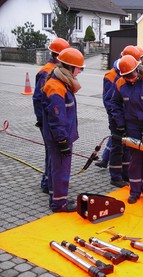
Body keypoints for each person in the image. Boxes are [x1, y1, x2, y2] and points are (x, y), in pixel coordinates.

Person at [110, 55, 143, 204]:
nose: (130, 79)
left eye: (132, 75)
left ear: (138, 69)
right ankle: (134, 191)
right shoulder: (120, 83)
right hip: (132, 125)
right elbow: (115, 104)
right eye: (126, 76)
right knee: (135, 159)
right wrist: (120, 125)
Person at [41, 48, 85, 212]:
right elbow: (57, 118)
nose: (80, 72)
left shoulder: (60, 83)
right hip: (60, 137)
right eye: (79, 68)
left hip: (59, 136)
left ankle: (55, 197)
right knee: (61, 170)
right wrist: (62, 140)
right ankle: (59, 204)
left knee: (55, 168)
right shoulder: (57, 87)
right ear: (70, 67)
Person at [96, 45, 142, 187]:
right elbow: (110, 102)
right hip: (117, 119)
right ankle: (115, 177)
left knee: (127, 147)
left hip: (127, 119)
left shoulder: (129, 73)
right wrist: (118, 121)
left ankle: (125, 174)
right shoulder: (111, 76)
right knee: (118, 148)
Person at [32, 37, 70, 193]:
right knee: (52, 152)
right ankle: (48, 183)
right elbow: (39, 99)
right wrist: (42, 120)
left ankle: (51, 182)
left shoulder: (54, 70)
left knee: (52, 152)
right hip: (49, 122)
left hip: (51, 121)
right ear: (59, 56)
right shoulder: (46, 72)